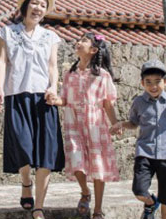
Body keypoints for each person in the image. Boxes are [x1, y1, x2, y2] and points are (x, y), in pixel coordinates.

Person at [0, 0, 65, 219]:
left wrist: (53, 87)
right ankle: (26, 184)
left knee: (45, 155)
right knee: (22, 147)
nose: (38, 8)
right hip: (17, 95)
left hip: (44, 98)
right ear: (25, 6)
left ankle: (39, 207)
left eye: (43, 6)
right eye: (35, 3)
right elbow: (2, 61)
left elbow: (53, 66)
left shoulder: (51, 37)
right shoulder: (8, 32)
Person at [45, 33, 120, 219]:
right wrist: (56, 100)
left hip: (96, 125)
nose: (78, 43)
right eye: (78, 40)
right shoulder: (69, 74)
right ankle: (85, 191)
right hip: (74, 123)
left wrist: (115, 123)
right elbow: (65, 100)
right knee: (76, 162)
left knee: (98, 166)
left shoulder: (102, 76)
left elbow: (107, 103)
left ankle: (98, 209)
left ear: (93, 50)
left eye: (84, 41)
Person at [111, 59, 166, 219]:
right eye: (148, 82)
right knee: (139, 190)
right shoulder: (138, 102)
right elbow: (134, 123)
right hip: (145, 153)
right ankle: (150, 203)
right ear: (142, 83)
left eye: (157, 81)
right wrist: (120, 124)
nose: (153, 86)